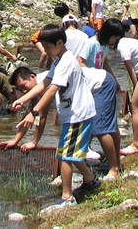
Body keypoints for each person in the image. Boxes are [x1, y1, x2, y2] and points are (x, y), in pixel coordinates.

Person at [16, 25, 100, 207]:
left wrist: (34, 112)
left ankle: (67, 197)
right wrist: (22, 100)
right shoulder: (58, 61)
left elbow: (53, 88)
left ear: (60, 43)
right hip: (73, 113)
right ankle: (90, 179)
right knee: (70, 152)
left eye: (47, 47)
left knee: (65, 156)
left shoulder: (66, 61)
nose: (45, 51)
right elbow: (43, 84)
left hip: (79, 114)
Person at [7, 64, 121, 180]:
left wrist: (34, 142)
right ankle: (116, 164)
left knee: (100, 128)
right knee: (108, 125)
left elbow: (41, 116)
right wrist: (16, 140)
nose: (24, 91)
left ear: (32, 77)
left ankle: (114, 169)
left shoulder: (46, 82)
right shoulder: (37, 92)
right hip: (103, 81)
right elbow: (31, 116)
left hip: (100, 84)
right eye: (20, 90)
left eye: (24, 86)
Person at [99, 18, 138, 156]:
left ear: (113, 37)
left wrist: (136, 85)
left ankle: (136, 144)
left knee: (135, 106)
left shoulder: (122, 47)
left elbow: (130, 69)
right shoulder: (125, 42)